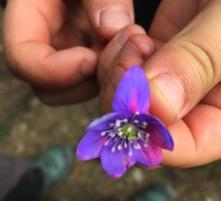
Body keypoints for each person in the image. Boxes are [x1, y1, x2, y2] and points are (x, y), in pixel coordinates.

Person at [1, 0, 221, 195]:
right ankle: (33, 179)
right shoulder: (137, 93)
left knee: (129, 51)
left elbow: (153, 152)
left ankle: (34, 177)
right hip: (147, 29)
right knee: (130, 49)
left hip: (157, 25)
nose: (128, 130)